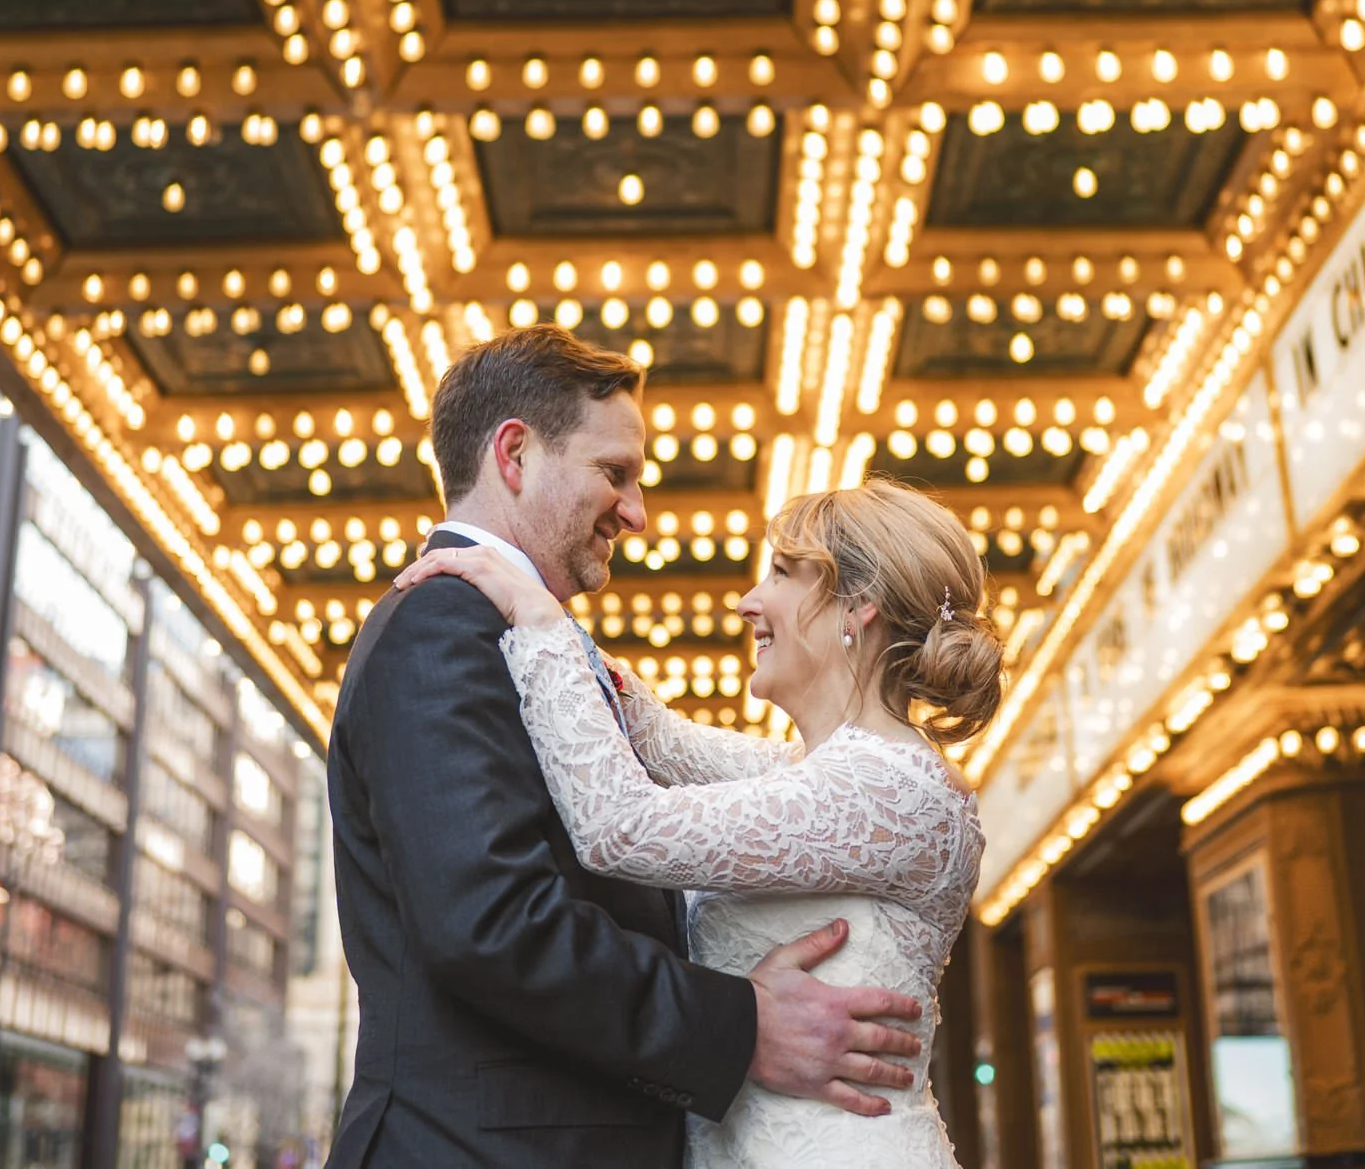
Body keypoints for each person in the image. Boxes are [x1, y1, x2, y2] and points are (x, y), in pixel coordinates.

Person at [324, 325, 931, 1169]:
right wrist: (744, 1025)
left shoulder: (528, 640)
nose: (638, 513)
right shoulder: (439, 625)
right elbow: (491, 923)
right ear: (515, 454)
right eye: (615, 473)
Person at [392, 467, 1003, 1169]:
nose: (748, 601)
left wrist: (540, 622)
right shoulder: (814, 773)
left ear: (855, 606)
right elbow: (659, 736)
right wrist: (531, 589)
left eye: (779, 572)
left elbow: (619, 825)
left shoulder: (893, 790)